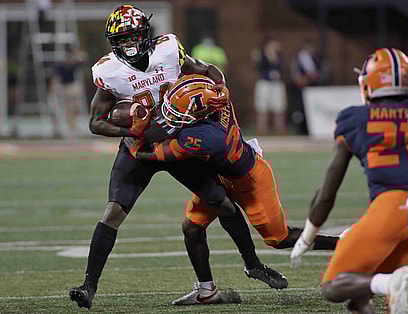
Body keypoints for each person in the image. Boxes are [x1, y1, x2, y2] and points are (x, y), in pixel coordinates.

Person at [69, 5, 286, 309]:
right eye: (121, 41)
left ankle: (253, 265)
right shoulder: (109, 71)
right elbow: (95, 122)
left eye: (132, 38)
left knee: (221, 201)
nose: (128, 46)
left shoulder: (168, 51)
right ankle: (88, 286)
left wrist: (221, 87)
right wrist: (132, 126)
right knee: (113, 212)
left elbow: (209, 71)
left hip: (177, 143)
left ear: (145, 35)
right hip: (139, 149)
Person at [129, 74, 340, 304]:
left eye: (179, 112)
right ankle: (207, 291)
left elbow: (152, 155)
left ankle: (343, 243)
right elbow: (216, 82)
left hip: (250, 180)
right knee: (192, 228)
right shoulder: (220, 100)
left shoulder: (200, 137)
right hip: (221, 174)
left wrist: (135, 138)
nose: (171, 116)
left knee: (279, 239)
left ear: (199, 113)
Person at [290, 48, 408, 314]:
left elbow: (327, 193)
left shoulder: (355, 118)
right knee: (359, 294)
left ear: (369, 83)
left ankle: (389, 283)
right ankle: (387, 283)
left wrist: (307, 237)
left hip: (395, 208)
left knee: (334, 284)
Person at [289, 41, 330, 135]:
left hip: (314, 89)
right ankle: (300, 129)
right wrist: (303, 79)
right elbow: (296, 76)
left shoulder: (317, 59)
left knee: (313, 110)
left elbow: (322, 73)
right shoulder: (298, 60)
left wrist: (316, 78)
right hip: (302, 89)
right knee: (300, 110)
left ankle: (309, 129)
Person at [252, 37, 287, 135]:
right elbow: (258, 67)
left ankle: (280, 129)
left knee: (279, 107)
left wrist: (273, 56)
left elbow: (282, 67)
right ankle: (261, 129)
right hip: (264, 82)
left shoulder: (279, 56)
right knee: (262, 107)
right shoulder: (260, 54)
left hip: (277, 83)